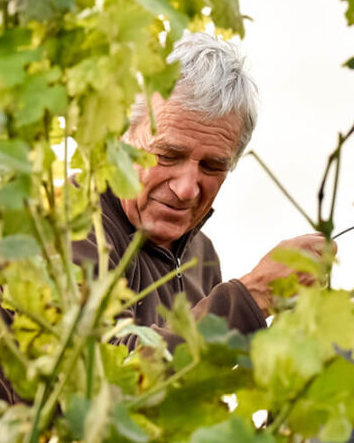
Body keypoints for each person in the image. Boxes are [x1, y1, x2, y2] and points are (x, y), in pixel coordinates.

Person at [72, 32, 333, 348]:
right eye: (167, 155)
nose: (186, 190)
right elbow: (107, 381)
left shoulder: (202, 256)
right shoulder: (70, 226)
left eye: (212, 166)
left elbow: (193, 391)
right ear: (120, 136)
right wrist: (250, 297)